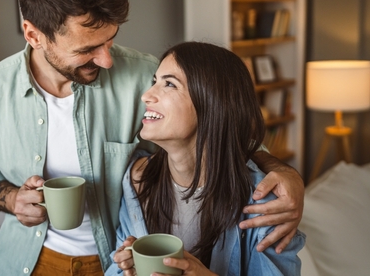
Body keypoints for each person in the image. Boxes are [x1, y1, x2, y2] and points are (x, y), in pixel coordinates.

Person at [0, 0, 304, 276]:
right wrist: (11, 200)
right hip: (28, 261)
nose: (107, 60)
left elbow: (221, 131)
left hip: (115, 256)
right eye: (88, 49)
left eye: (110, 41)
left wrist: (287, 176)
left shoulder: (144, 74)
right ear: (34, 35)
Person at [109, 42, 305, 276]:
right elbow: (115, 270)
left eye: (169, 84)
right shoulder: (138, 180)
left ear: (212, 103)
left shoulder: (266, 204)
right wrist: (126, 268)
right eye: (155, 81)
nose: (146, 95)